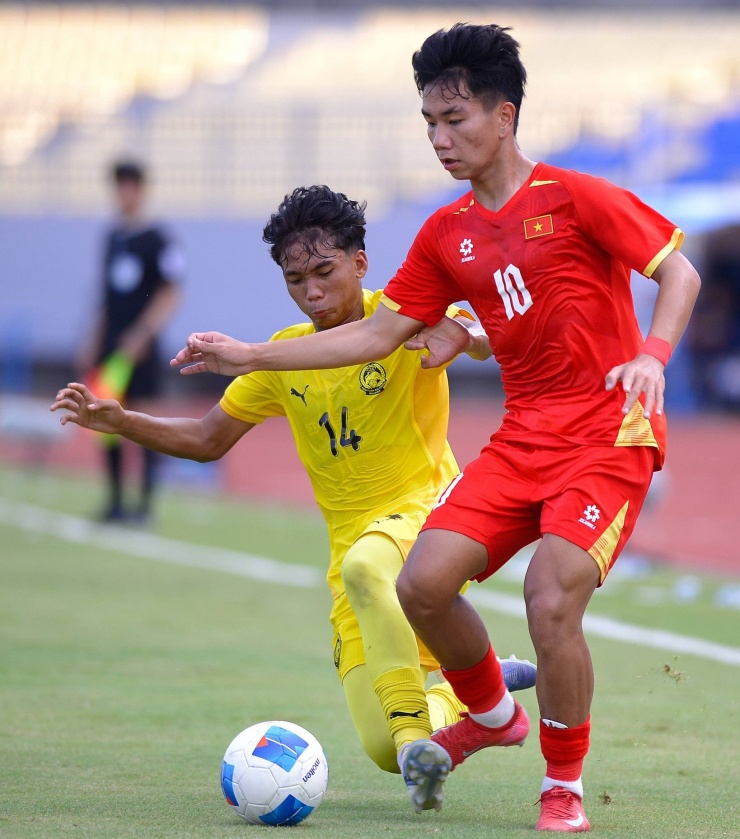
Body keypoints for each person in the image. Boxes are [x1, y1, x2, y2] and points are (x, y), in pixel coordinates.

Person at [168, 24, 701, 832]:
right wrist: (246, 352)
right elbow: (378, 333)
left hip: (606, 433)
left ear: (506, 115)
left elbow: (678, 271)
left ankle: (564, 784)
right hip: (524, 438)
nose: (441, 138)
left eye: (455, 119)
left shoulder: (576, 197)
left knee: (549, 597)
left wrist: (654, 356)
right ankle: (492, 714)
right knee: (420, 584)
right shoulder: (446, 234)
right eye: (429, 123)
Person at [53, 185, 536, 784]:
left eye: (325, 271)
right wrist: (123, 422)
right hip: (350, 551)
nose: (311, 291)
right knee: (379, 749)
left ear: (360, 263)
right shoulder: (285, 359)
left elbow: (495, 333)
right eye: (295, 279)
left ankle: (419, 743)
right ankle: (478, 689)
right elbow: (207, 440)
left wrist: (470, 334)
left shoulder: (405, 317)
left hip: (426, 515)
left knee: (371, 582)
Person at [76, 159, 184, 524]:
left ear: (141, 189)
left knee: (144, 422)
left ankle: (145, 505)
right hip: (111, 348)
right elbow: (106, 297)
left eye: (130, 185)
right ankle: (115, 501)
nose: (124, 193)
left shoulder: (158, 240)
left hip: (139, 349)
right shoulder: (112, 238)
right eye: (119, 185)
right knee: (104, 419)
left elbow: (171, 294)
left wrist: (142, 334)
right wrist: (93, 337)